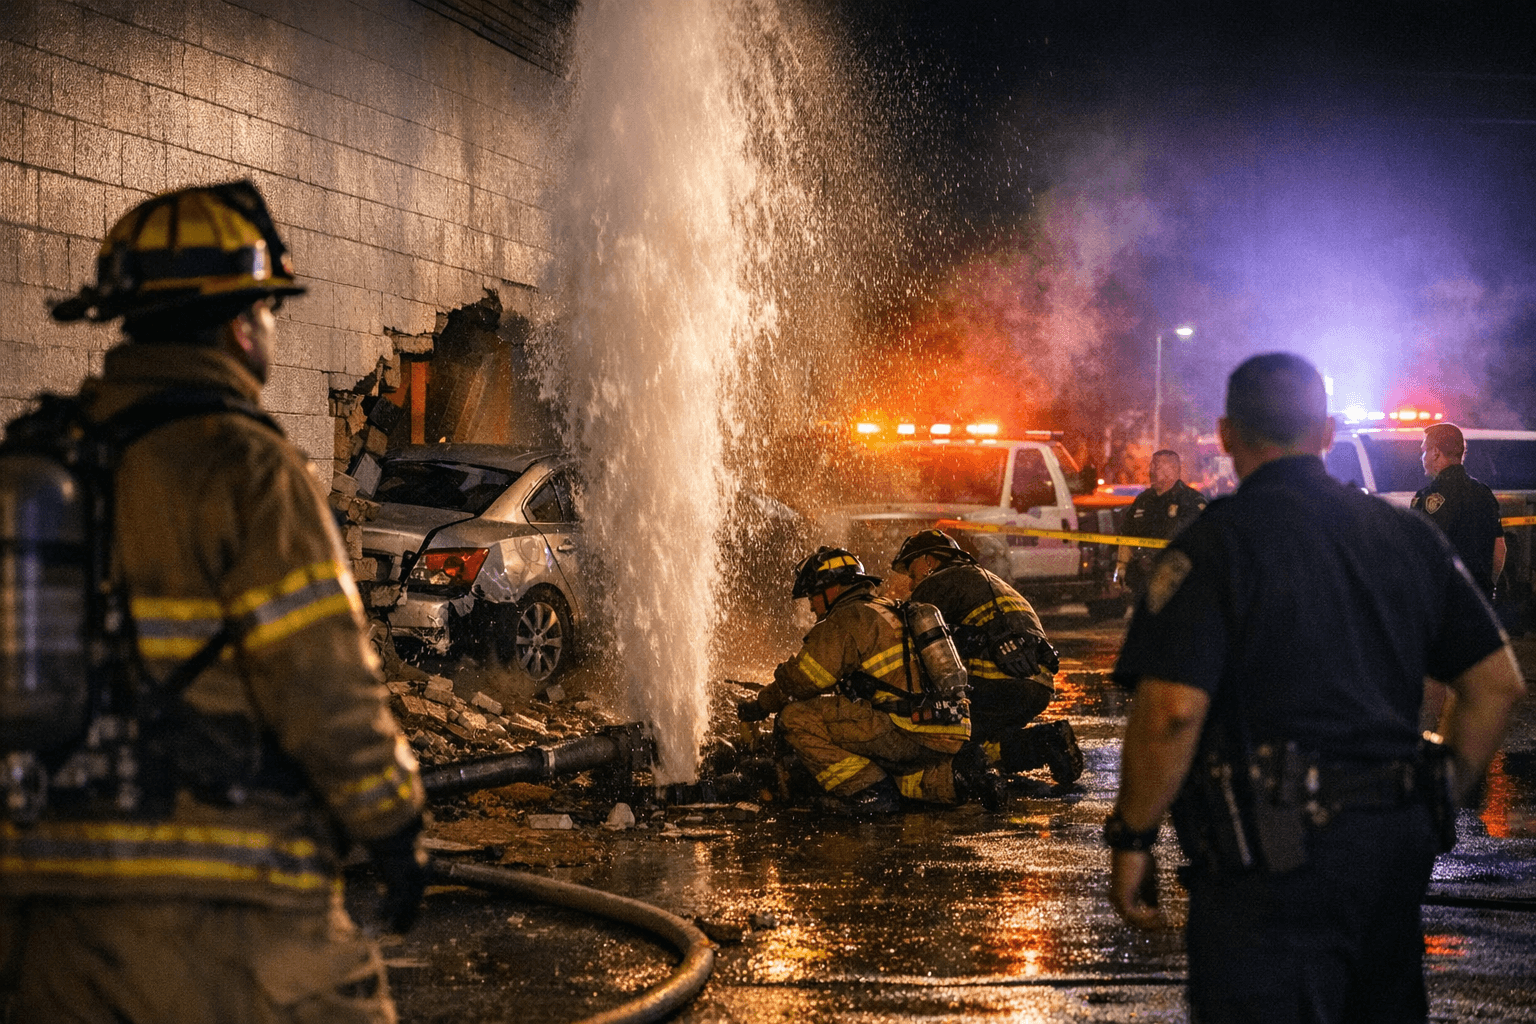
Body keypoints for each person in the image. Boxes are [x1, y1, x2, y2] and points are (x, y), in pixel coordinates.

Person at [1, 182, 428, 1022]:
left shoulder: (42, 462)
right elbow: (327, 694)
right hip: (229, 931)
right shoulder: (248, 469)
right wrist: (394, 828)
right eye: (269, 311)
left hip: (46, 936)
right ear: (242, 323)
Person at [1105, 352, 1524, 1023]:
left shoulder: (1214, 544)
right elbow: (1497, 686)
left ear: (1225, 435)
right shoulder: (1407, 536)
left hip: (1264, 867)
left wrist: (1132, 839)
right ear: (1328, 434)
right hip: (1389, 850)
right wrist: (1437, 796)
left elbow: (1171, 714)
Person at [736, 546, 976, 815]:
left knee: (796, 718)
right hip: (951, 729)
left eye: (813, 595)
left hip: (907, 730)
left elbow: (801, 680)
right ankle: (952, 780)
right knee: (858, 722)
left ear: (833, 588)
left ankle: (868, 791)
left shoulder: (847, 618)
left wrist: (761, 704)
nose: (811, 605)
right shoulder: (891, 608)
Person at [891, 529, 1084, 785]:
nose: (912, 584)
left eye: (912, 573)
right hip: (1039, 687)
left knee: (946, 741)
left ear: (929, 561)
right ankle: (1046, 742)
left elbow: (901, 638)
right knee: (986, 742)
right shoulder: (989, 580)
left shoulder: (936, 583)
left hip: (996, 683)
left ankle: (991, 767)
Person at [1413, 422, 1506, 598]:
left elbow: (1421, 553)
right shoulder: (1484, 493)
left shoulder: (1427, 497)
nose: (1422, 457)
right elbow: (1499, 550)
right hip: (1479, 602)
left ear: (1436, 453)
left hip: (1444, 604)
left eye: (1424, 450)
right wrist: (1488, 588)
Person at [1114, 449, 1207, 595]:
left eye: (1157, 466)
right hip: (1142, 579)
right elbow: (1127, 535)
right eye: (1151, 465)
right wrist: (1120, 569)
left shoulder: (1191, 501)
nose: (1151, 470)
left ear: (1174, 469)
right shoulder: (1143, 500)